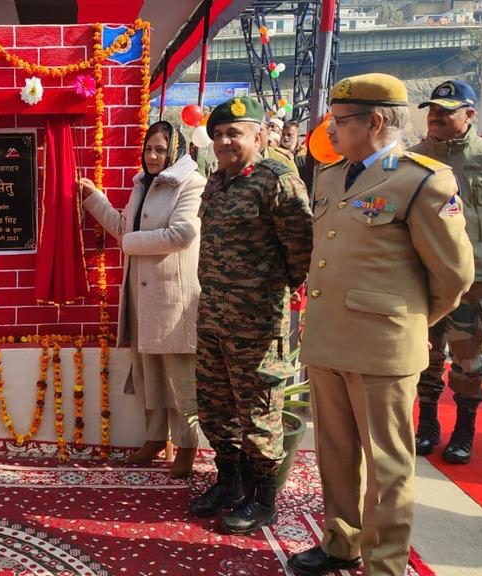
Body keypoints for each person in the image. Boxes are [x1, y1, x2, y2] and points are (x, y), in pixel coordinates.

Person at [290, 73, 474, 576]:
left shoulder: (421, 179)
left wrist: (408, 321)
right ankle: (340, 541)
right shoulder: (330, 176)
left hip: (383, 347)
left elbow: (453, 274)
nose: (330, 130)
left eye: (340, 120)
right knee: (336, 452)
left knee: (388, 464)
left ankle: (386, 563)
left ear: (375, 122)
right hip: (328, 339)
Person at [189, 96, 313, 534]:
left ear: (258, 136)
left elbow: (302, 254)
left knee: (259, 411)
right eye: (219, 133)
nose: (224, 141)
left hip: (257, 324)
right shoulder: (216, 181)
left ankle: (262, 499)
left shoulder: (277, 182)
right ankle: (229, 481)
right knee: (214, 407)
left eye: (234, 133)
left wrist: (267, 297)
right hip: (213, 315)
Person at [78, 121, 205, 479]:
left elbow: (182, 233)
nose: (152, 156)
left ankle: (187, 446)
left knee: (180, 378)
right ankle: (154, 439)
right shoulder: (142, 184)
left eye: (161, 150)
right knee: (149, 373)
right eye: (149, 148)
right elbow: (124, 228)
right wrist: (93, 198)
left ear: (175, 151)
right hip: (141, 294)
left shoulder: (191, 184)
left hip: (173, 298)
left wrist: (130, 243)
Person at [409, 79, 482, 464]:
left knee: (467, 357)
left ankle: (464, 429)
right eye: (433, 111)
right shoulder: (413, 157)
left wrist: (480, 251)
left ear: (470, 115)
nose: (437, 117)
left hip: (473, 280)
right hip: (422, 274)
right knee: (423, 355)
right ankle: (426, 424)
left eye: (447, 111)